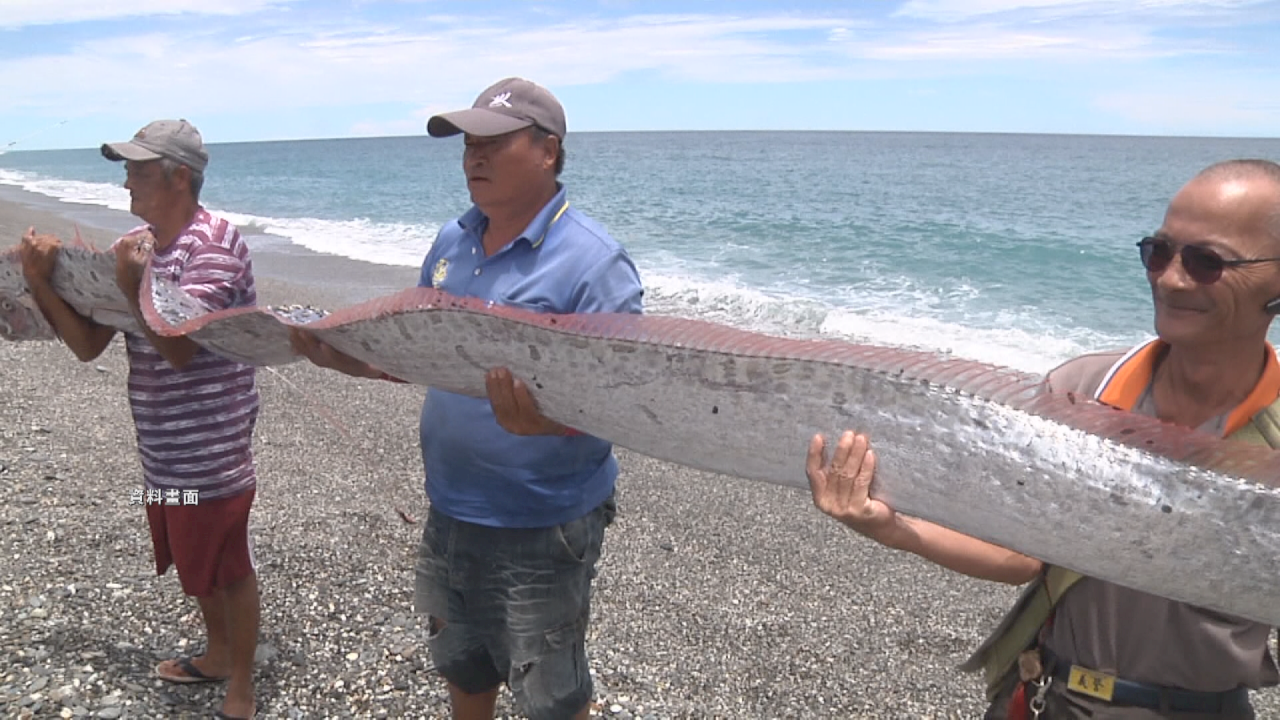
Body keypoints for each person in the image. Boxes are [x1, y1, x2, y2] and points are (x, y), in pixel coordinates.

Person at [806, 159, 1280, 719]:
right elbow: (1023, 554)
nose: (1170, 278)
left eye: (1207, 262)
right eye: (1159, 251)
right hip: (1050, 697)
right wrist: (892, 526)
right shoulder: (1080, 392)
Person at [288, 77, 644, 720]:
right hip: (451, 504)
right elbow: (420, 356)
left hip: (544, 519)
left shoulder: (594, 264)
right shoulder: (452, 243)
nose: (473, 156)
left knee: (552, 694)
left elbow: (623, 401)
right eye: (467, 144)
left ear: (548, 150)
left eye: (493, 141)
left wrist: (548, 425)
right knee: (462, 663)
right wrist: (351, 359)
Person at [20, 119, 262, 720]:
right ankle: (216, 653)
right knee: (190, 554)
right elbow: (88, 345)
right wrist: (39, 281)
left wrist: (133, 283)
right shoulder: (137, 244)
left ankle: (242, 684)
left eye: (138, 168)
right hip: (160, 447)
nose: (126, 179)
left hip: (213, 447)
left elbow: (180, 350)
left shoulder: (216, 244)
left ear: (180, 176)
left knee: (228, 563)